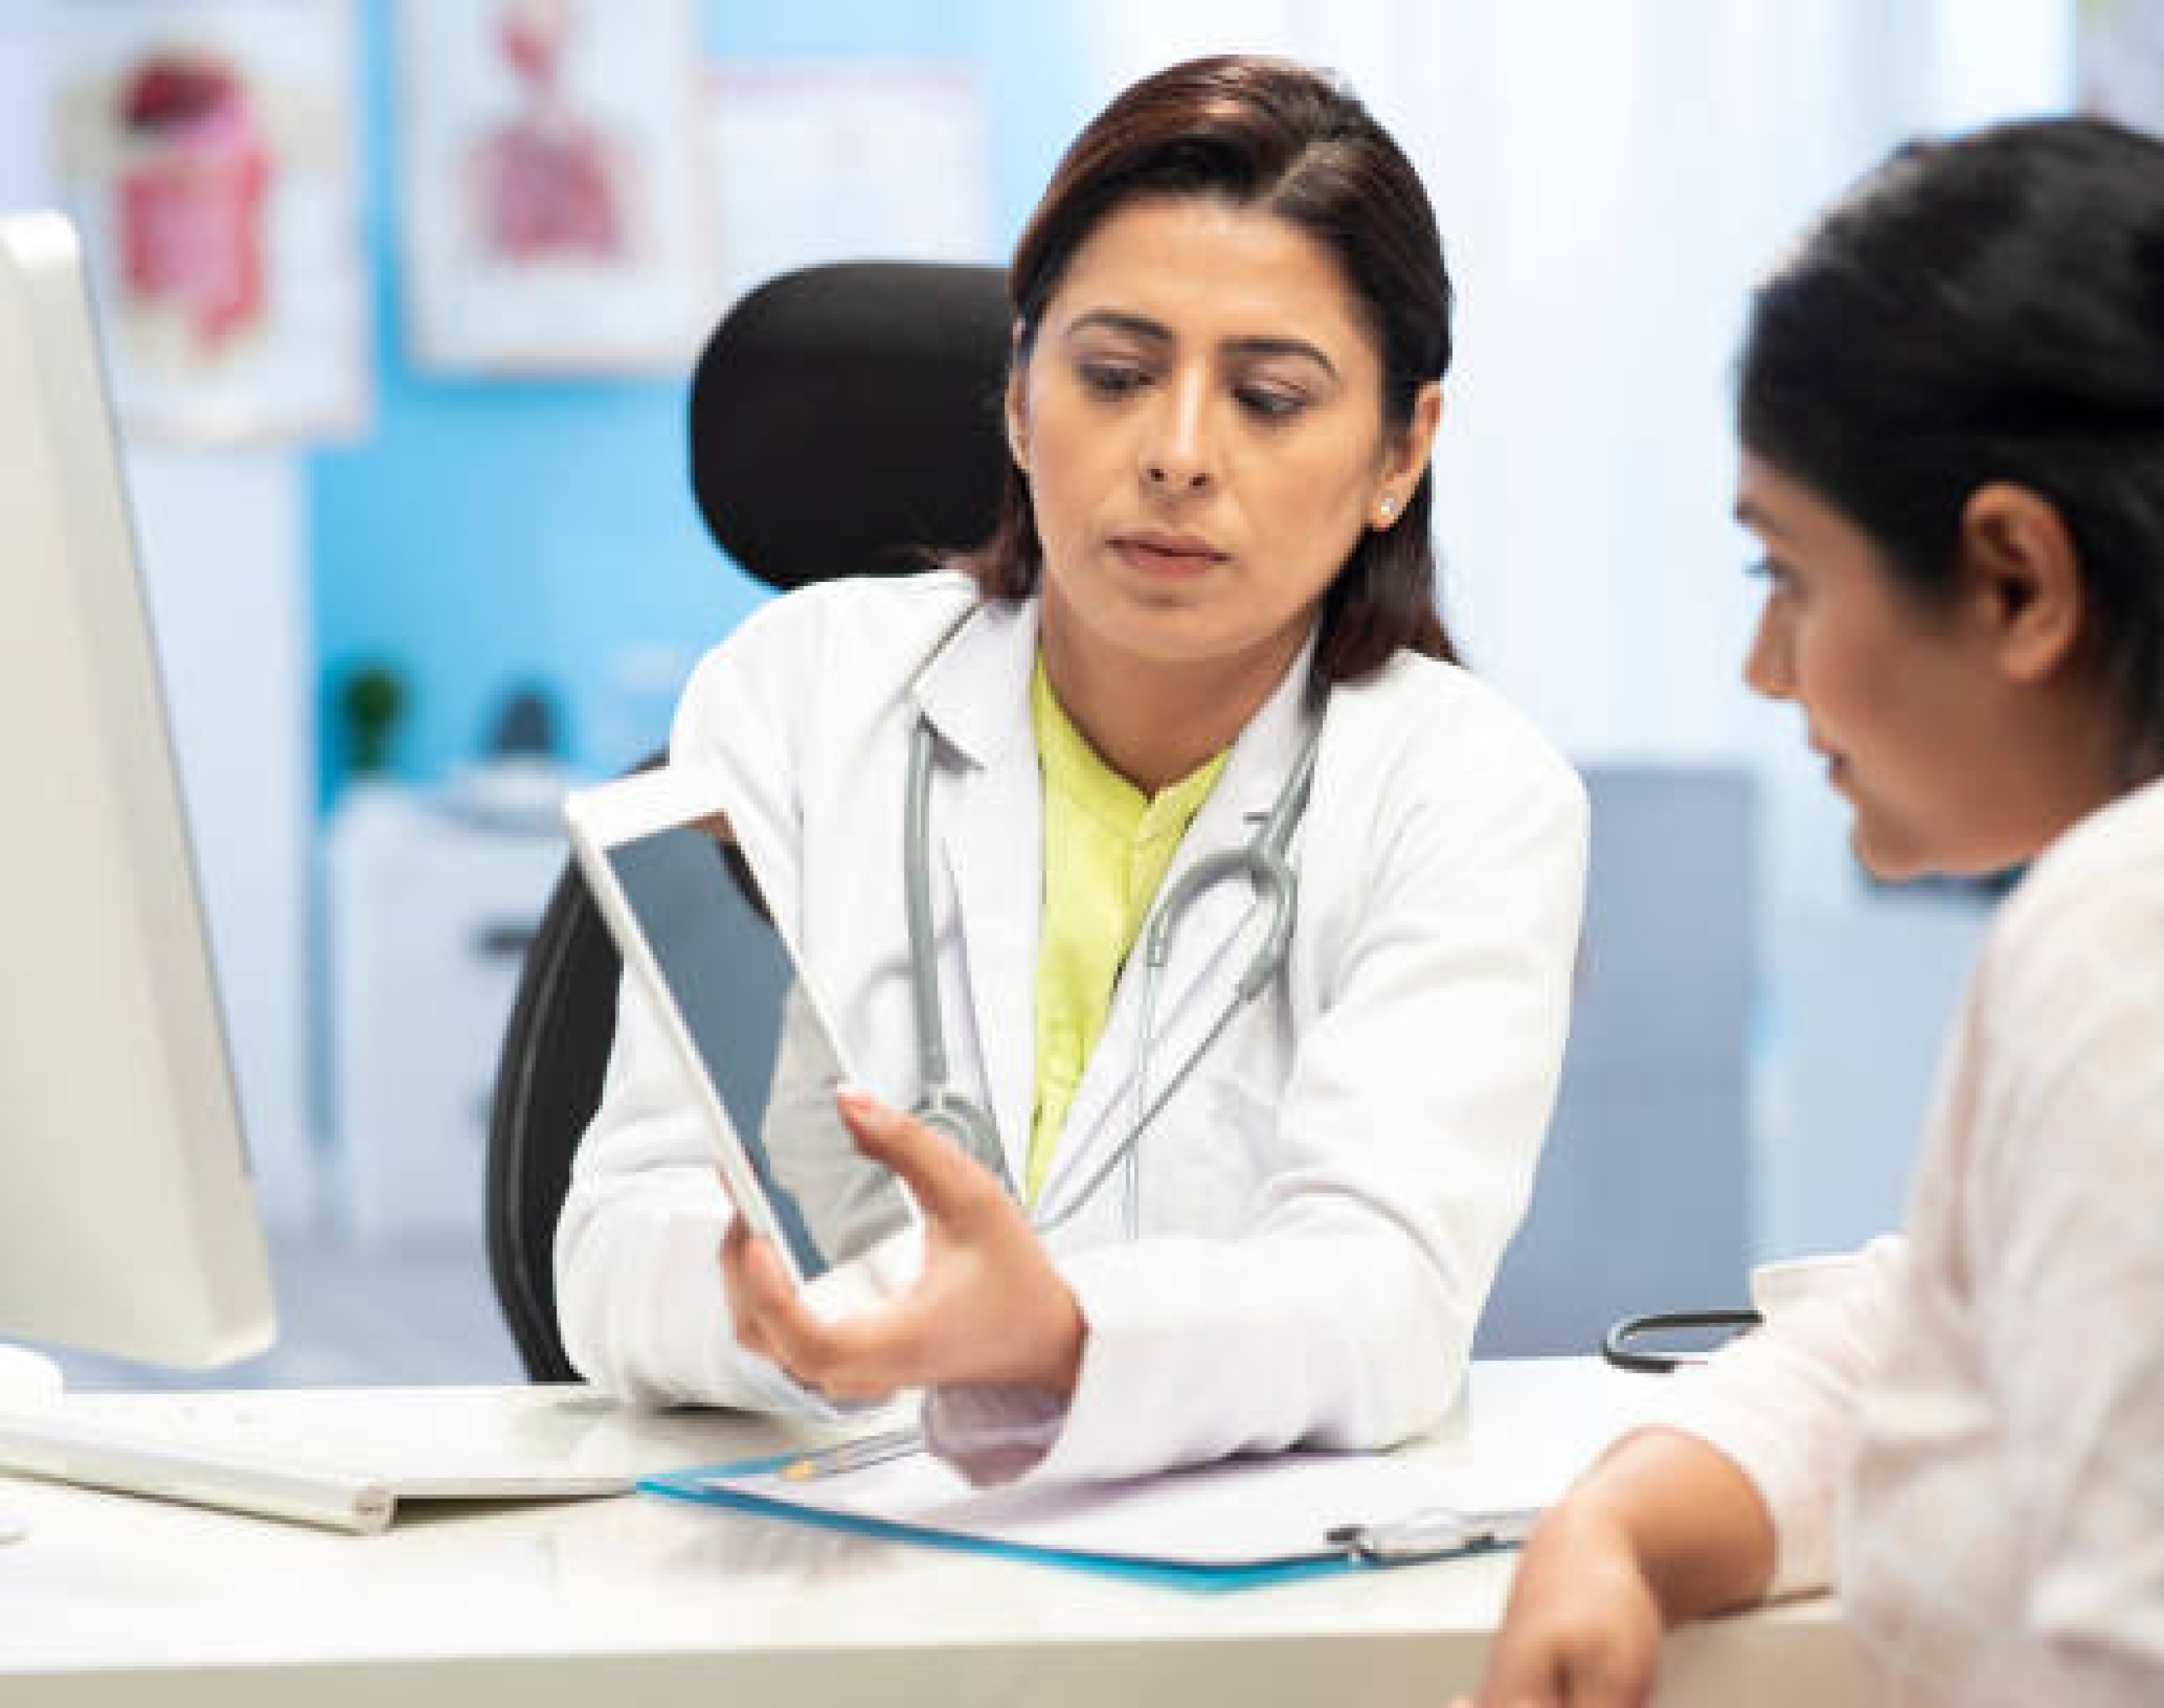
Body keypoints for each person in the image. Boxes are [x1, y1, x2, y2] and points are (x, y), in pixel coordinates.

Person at [1469, 115, 2164, 1706]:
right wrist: (1620, 1524)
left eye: (1787, 575)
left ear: (2017, 580)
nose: (1766, 671)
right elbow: (1937, 1324)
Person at [556, 55, 1588, 1490]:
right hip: (807, 1565)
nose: (1175, 455)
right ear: (1021, 397)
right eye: (1114, 375)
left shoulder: (1467, 791)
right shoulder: (794, 694)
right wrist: (760, 1306)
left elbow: (1388, 1296)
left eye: (1271, 399)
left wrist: (1053, 1334)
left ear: (1400, 450)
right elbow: (618, 1234)